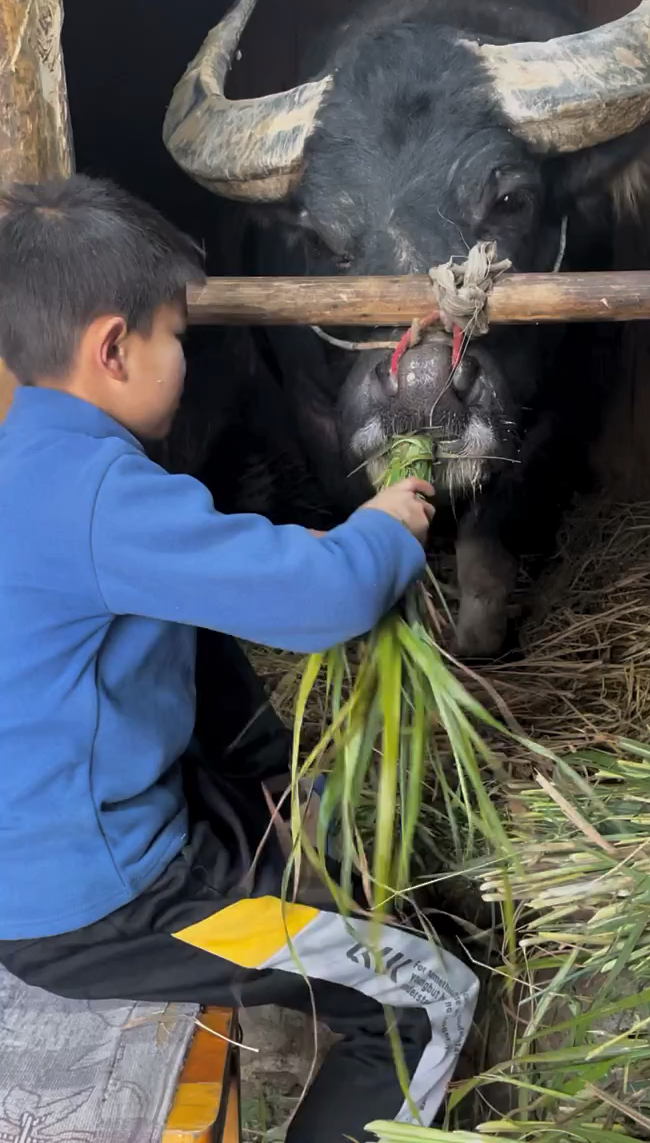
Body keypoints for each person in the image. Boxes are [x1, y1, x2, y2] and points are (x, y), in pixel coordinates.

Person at [0, 176, 479, 1143]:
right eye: (178, 337)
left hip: (55, 830)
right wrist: (383, 530)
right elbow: (318, 601)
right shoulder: (101, 497)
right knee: (430, 996)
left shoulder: (28, 463)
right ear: (113, 350)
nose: (187, 357)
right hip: (104, 904)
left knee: (282, 807)